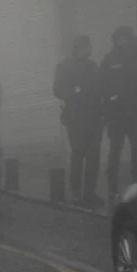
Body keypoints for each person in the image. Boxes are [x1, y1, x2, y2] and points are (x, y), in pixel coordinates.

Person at [100, 26, 137, 201]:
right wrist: (109, 105)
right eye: (120, 38)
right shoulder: (109, 60)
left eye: (126, 38)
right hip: (116, 115)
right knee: (115, 150)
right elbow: (103, 85)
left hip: (135, 113)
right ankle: (112, 187)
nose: (123, 41)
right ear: (115, 40)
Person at [53, 36, 103, 207]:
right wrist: (75, 91)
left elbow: (99, 88)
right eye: (86, 46)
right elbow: (58, 90)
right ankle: (76, 192)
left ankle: (90, 192)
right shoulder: (65, 66)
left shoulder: (92, 66)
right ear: (78, 48)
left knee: (94, 155)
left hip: (94, 117)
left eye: (89, 46)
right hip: (76, 117)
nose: (89, 49)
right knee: (78, 152)